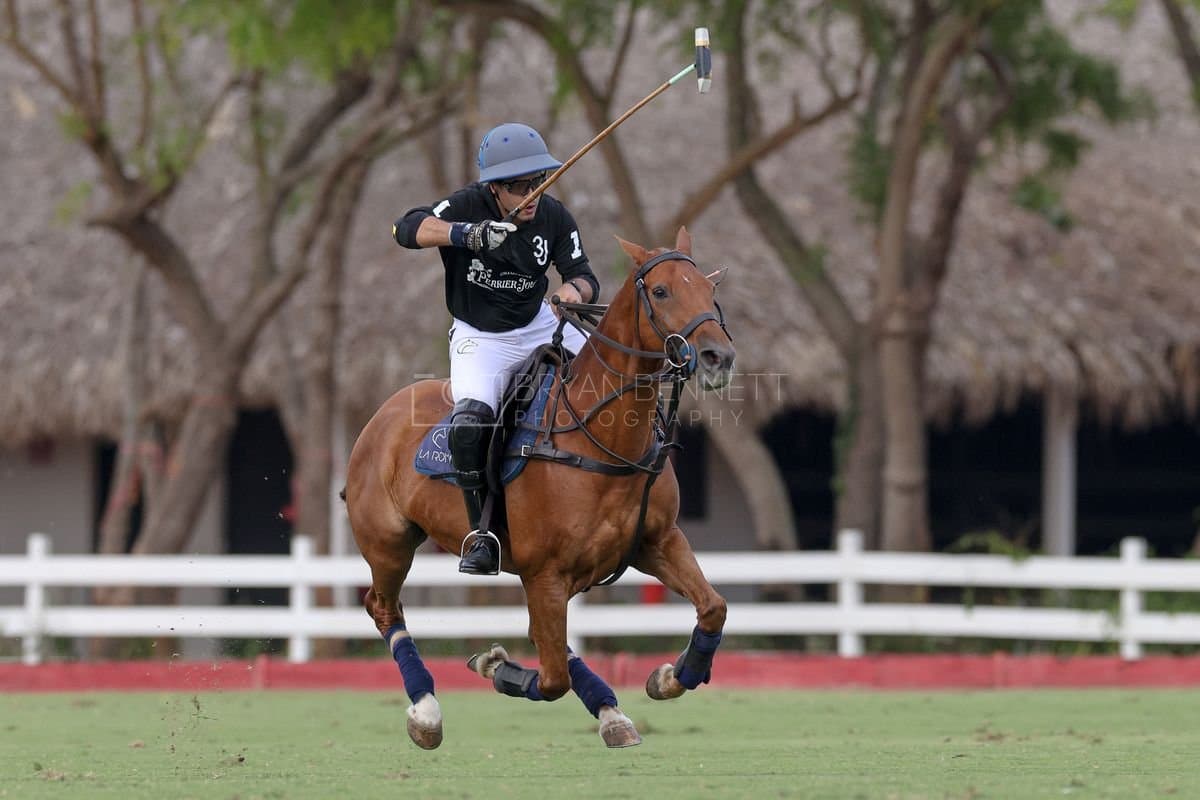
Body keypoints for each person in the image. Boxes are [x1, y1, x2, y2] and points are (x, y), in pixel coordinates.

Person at [392, 122, 599, 575]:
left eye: (538, 180)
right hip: (480, 336)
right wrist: (467, 235)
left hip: (540, 323)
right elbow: (406, 228)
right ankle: (480, 534)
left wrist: (571, 295)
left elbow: (583, 273)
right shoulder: (467, 204)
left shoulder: (555, 216)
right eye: (519, 186)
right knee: (471, 424)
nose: (532, 193)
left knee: (612, 378)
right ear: (494, 188)